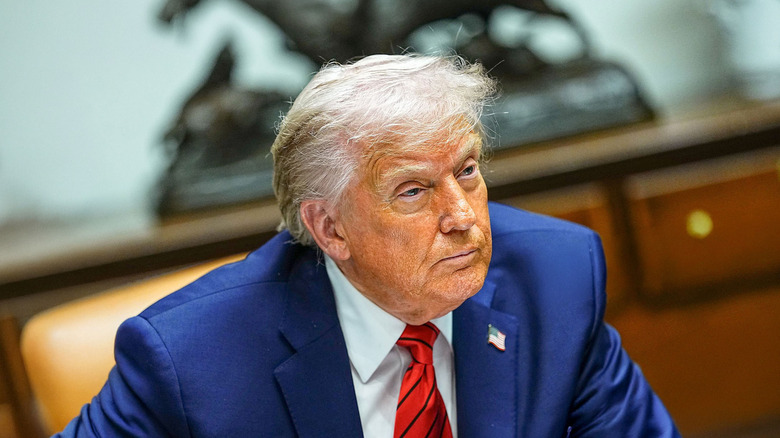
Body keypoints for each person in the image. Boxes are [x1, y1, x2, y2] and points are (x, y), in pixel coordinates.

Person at [56, 54, 680, 437]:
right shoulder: (190, 358)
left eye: (466, 170)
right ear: (330, 229)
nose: (463, 216)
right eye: (412, 191)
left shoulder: (557, 278)